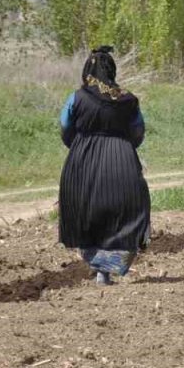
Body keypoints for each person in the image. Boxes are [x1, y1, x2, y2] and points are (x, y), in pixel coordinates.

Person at [58, 46, 151, 285]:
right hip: (122, 159)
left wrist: (78, 145)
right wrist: (125, 148)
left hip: (82, 160)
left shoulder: (77, 97)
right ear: (112, 70)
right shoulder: (128, 99)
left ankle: (100, 268)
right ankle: (106, 270)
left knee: (88, 212)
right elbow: (138, 131)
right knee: (127, 212)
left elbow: (65, 126)